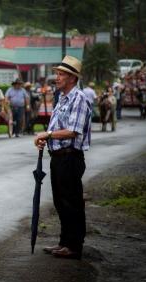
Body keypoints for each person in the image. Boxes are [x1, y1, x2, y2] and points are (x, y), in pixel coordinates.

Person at [34, 55, 92, 259]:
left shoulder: (79, 99)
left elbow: (73, 131)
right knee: (61, 201)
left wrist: (47, 135)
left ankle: (74, 246)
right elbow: (56, 128)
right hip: (58, 157)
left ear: (72, 78)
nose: (56, 78)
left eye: (61, 74)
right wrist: (46, 140)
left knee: (71, 202)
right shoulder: (61, 100)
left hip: (70, 158)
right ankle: (64, 242)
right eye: (57, 74)